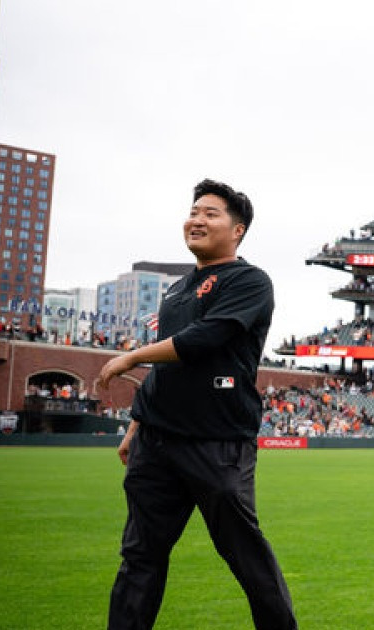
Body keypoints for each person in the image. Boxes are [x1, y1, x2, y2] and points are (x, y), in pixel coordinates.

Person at [98, 179, 297, 630]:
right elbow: (168, 366)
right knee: (139, 558)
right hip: (157, 443)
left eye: (211, 214)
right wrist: (136, 425)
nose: (197, 220)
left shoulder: (249, 281)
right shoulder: (177, 290)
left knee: (247, 558)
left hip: (218, 443)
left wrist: (131, 355)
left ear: (238, 229)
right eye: (194, 211)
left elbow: (201, 341)